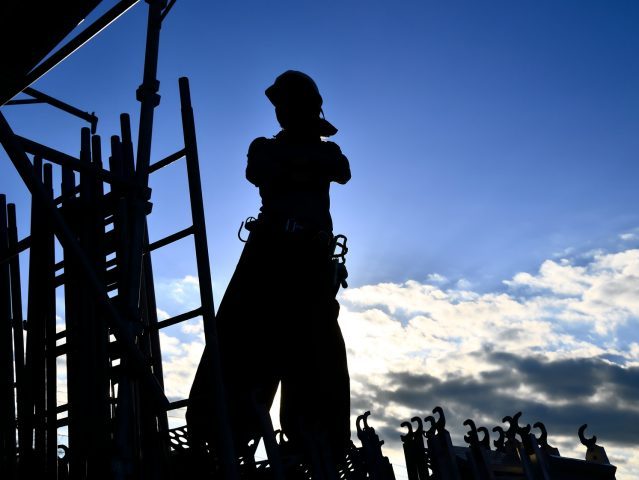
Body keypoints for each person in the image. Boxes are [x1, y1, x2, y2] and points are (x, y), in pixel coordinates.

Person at [187, 70, 351, 466]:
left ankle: (314, 448)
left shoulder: (327, 151)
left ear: (306, 108)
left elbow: (340, 170)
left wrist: (296, 162)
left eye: (287, 104)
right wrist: (303, 163)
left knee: (315, 351)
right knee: (240, 338)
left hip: (309, 263)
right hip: (268, 255)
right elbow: (259, 169)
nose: (280, 112)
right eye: (278, 106)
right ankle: (221, 434)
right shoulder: (264, 147)